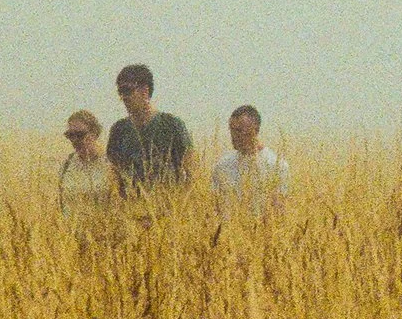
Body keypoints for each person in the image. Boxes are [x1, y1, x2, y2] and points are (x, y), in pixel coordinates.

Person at [106, 63, 192, 192]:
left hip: (167, 201)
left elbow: (192, 171)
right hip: (130, 202)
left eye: (127, 90)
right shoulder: (119, 130)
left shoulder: (172, 125)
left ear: (145, 91)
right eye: (120, 92)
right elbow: (114, 174)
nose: (123, 97)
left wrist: (183, 200)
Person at [210, 104, 289, 211]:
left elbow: (278, 213)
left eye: (239, 130)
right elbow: (215, 210)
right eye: (231, 130)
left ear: (255, 130)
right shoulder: (221, 166)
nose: (234, 136)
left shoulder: (277, 167)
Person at [58, 110, 115, 213]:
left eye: (80, 135)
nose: (75, 140)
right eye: (70, 135)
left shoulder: (110, 163)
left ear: (95, 134)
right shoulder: (67, 165)